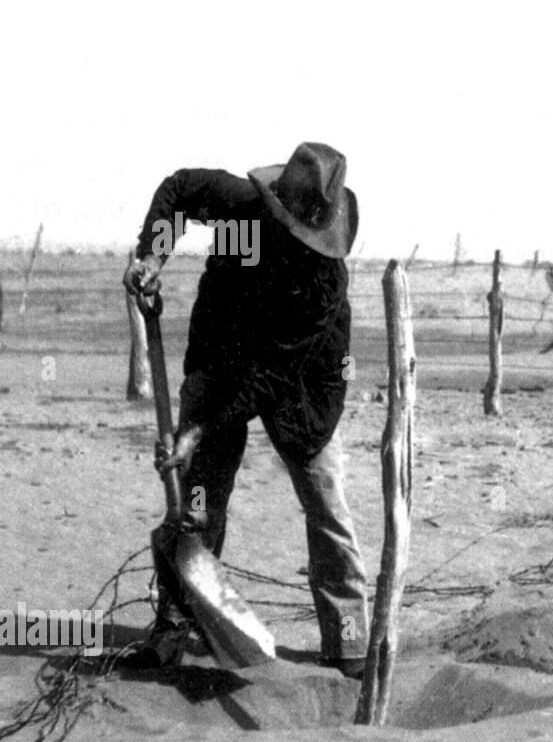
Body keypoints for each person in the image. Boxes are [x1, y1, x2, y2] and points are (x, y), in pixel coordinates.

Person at [122, 142, 371, 677]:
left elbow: (274, 375)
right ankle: (173, 625)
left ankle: (349, 647)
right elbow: (180, 189)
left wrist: (200, 428)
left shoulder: (324, 279)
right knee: (196, 499)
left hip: (301, 380)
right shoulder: (240, 213)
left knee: (327, 508)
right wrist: (152, 254)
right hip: (222, 357)